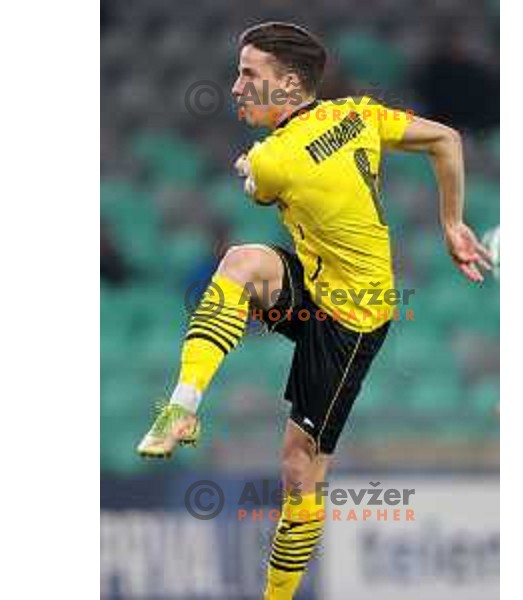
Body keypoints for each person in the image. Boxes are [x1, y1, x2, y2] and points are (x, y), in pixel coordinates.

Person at [137, 22, 491, 599]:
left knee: (300, 471)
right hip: (318, 282)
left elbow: (262, 174)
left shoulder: (273, 162)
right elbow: (446, 138)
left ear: (290, 83)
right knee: (241, 262)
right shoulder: (357, 113)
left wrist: (252, 167)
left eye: (249, 74)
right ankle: (182, 409)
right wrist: (451, 222)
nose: (235, 87)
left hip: (353, 319)